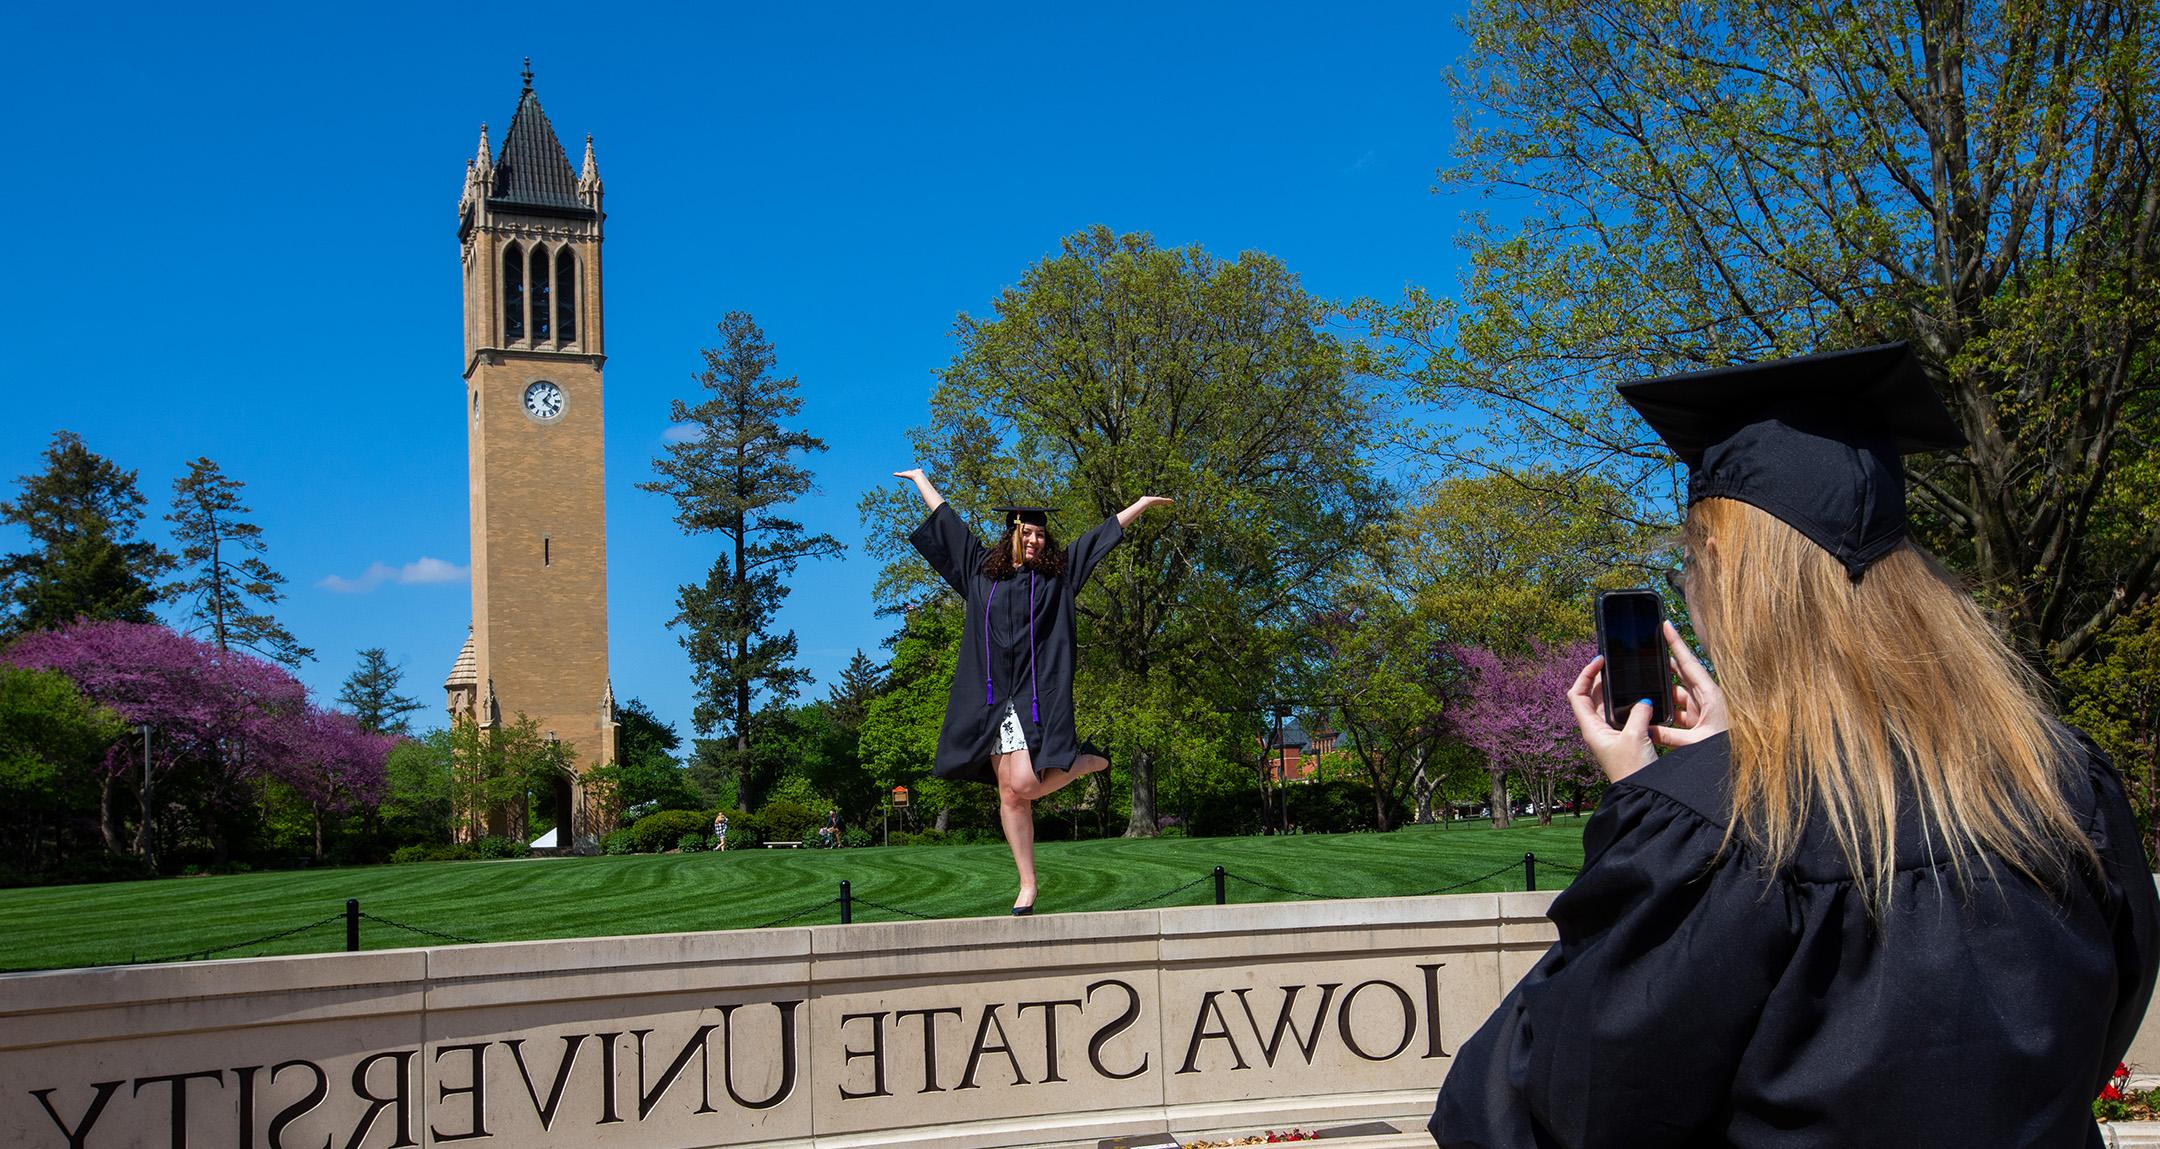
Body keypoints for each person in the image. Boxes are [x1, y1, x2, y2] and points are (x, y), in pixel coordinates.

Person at [1430, 343, 2160, 1147]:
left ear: (1721, 562)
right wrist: (1723, 768)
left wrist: (1653, 800)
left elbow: (1542, 1108)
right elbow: (2099, 1028)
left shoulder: (1707, 835)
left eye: (1690, 571)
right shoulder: (2064, 778)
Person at [895, 467, 1172, 914]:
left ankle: (1086, 762)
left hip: (1033, 696)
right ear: (1013, 533)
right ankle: (1027, 885)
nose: (1036, 541)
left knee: (1023, 783)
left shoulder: (1057, 578)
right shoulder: (980, 572)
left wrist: (1139, 505)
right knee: (1008, 794)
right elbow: (948, 524)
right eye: (1029, 533)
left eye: (1042, 534)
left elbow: (1097, 540)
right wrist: (922, 480)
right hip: (989, 700)